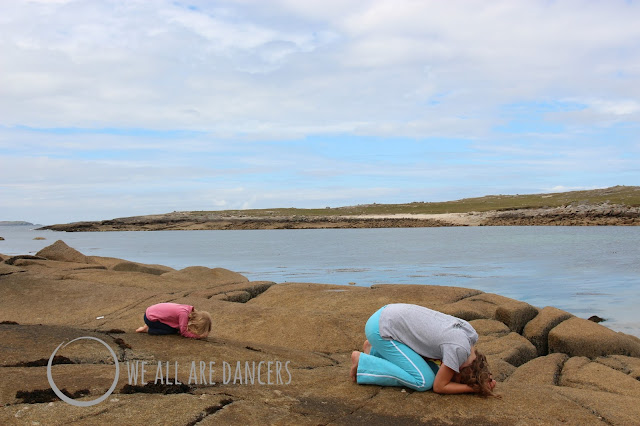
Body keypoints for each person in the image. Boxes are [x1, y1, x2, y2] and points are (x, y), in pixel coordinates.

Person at [350, 303, 497, 397]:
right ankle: (364, 362)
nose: (453, 379)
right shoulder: (458, 351)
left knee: (433, 370)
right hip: (382, 329)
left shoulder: (471, 335)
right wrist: (473, 388)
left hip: (387, 314)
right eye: (456, 378)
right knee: (423, 381)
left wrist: (484, 377)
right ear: (461, 373)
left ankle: (374, 351)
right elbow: (439, 386)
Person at [135, 302, 211, 339]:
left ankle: (149, 325)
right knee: (172, 331)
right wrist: (197, 336)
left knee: (175, 328)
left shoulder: (188, 309)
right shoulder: (184, 314)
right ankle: (148, 329)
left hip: (150, 312)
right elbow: (183, 332)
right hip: (150, 318)